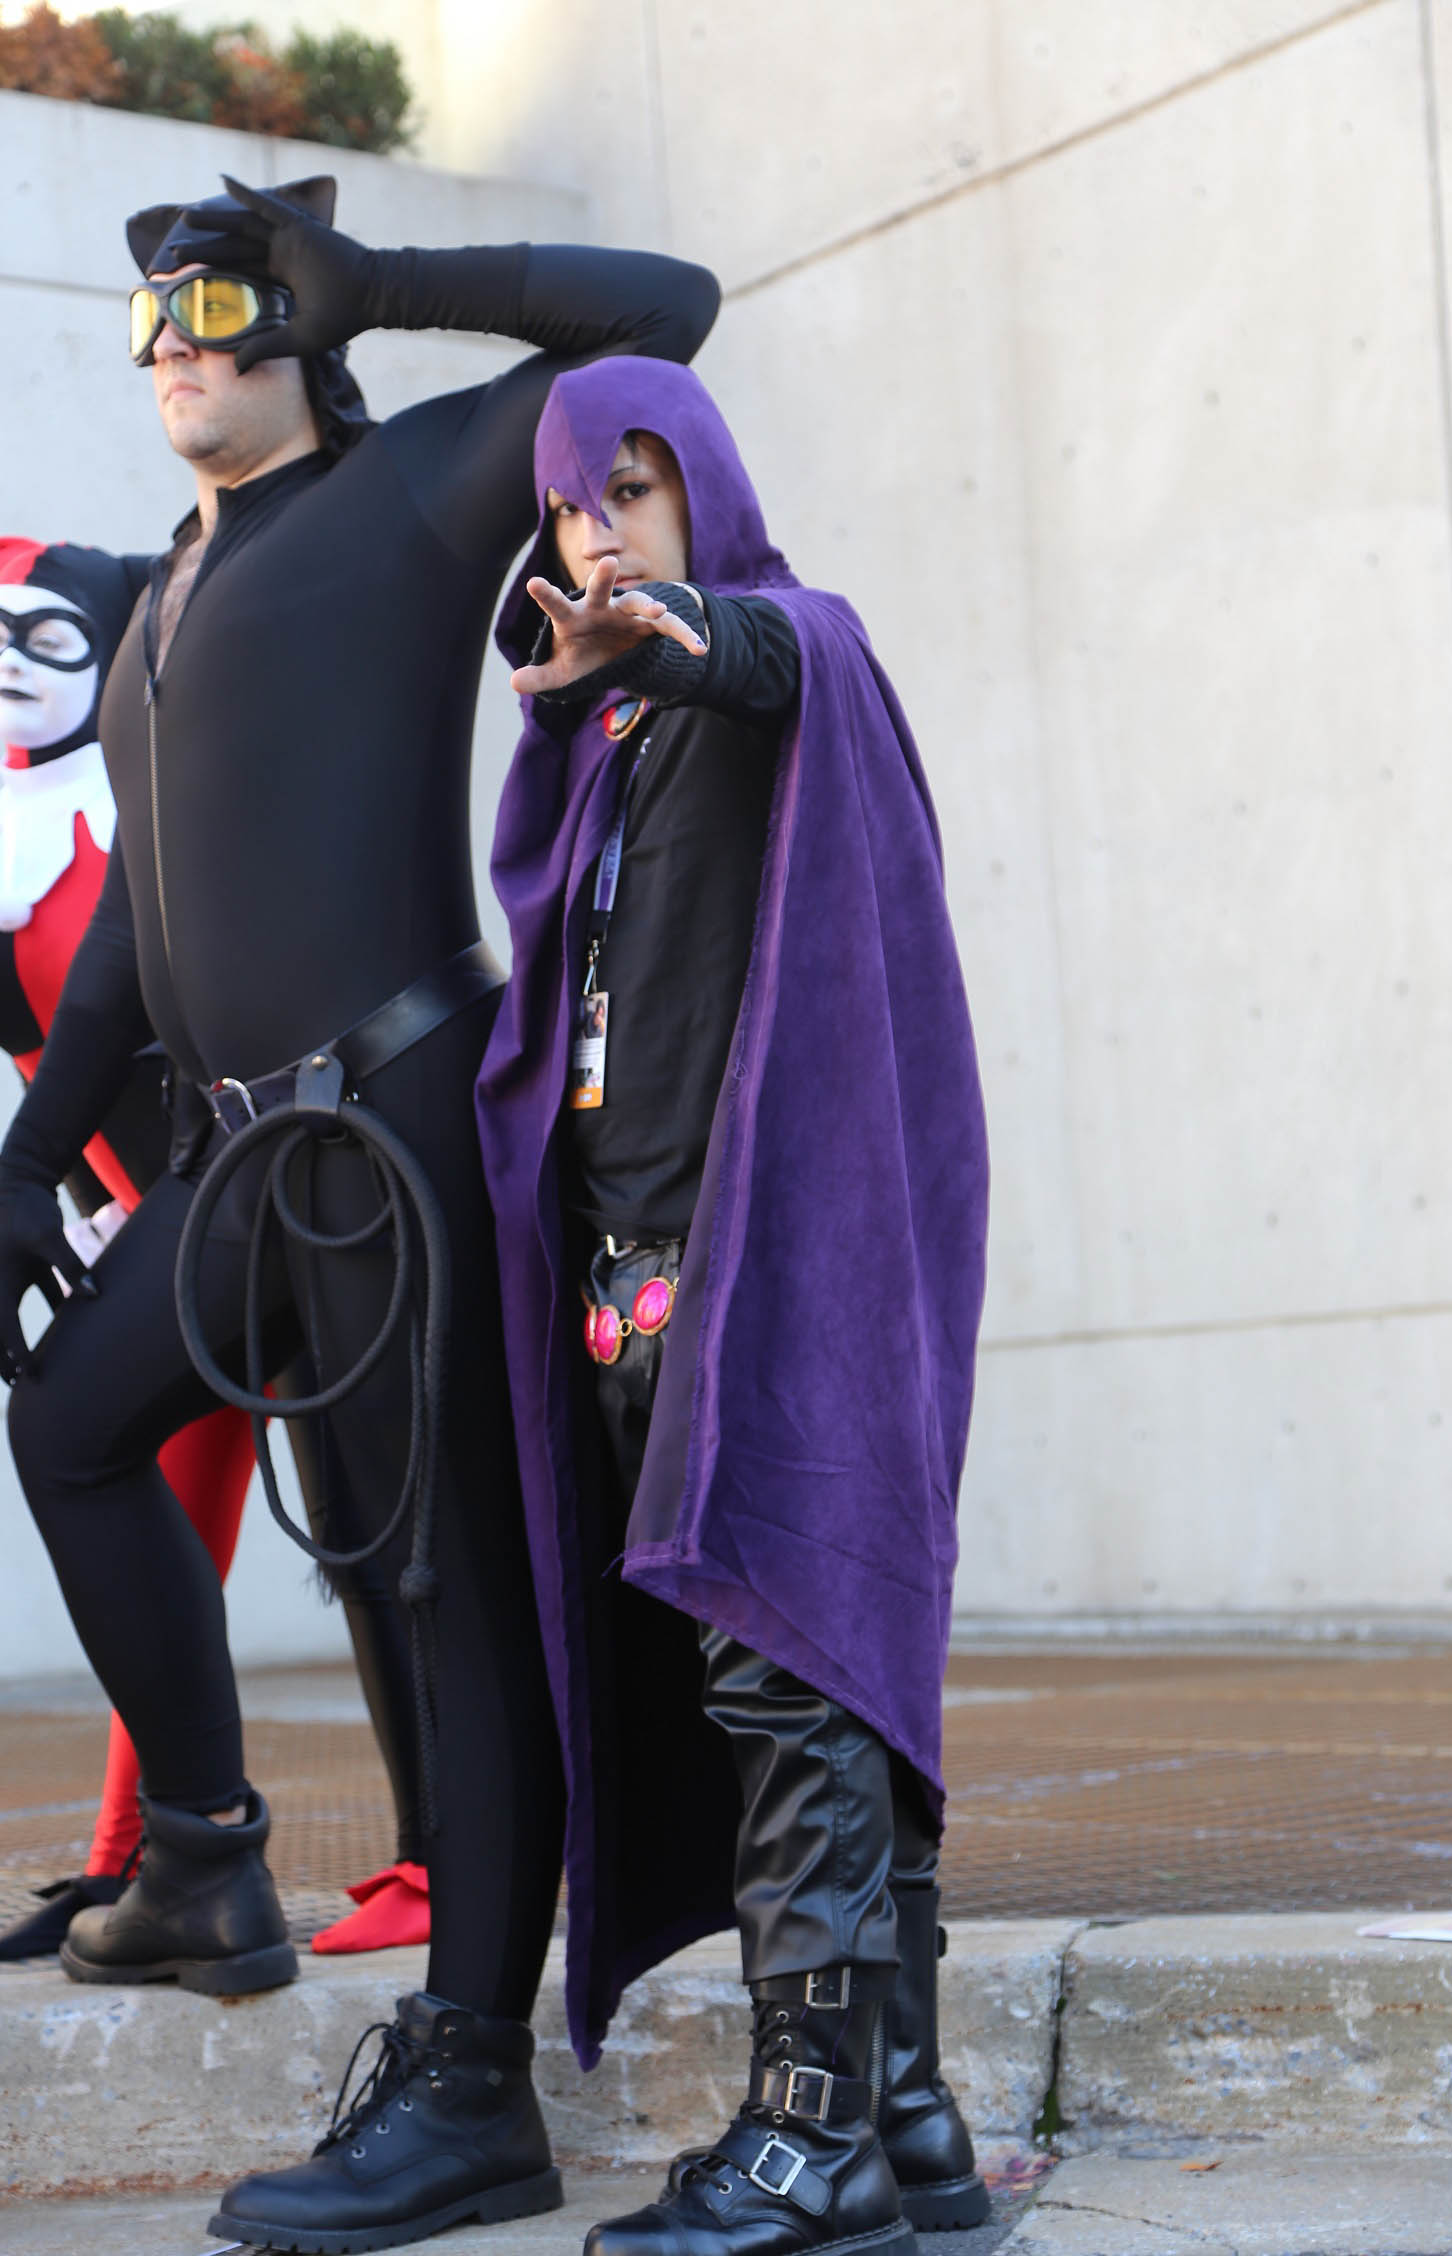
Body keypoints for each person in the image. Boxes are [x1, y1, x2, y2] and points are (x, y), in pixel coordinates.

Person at [0, 174, 717, 2248]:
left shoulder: (408, 494)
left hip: (400, 1111)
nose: (173, 347)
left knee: (443, 1598)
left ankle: (474, 2083)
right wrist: (39, 1150)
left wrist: (391, 285)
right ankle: (205, 1848)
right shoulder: (156, 606)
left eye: (214, 305)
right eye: (146, 322)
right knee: (70, 1432)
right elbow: (138, 923)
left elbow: (661, 301)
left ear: (291, 324)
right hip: (235, 1148)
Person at [478, 359, 988, 2256]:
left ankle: (812, 2138)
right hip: (641, 1265)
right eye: (573, 501)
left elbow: (756, 649)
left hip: (780, 1244)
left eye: (638, 483)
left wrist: (672, 631)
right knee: (786, 1667)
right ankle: (910, 2122)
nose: (602, 527)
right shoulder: (614, 743)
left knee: (792, 1655)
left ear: (703, 486)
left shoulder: (790, 650)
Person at [0, 538, 426, 1964]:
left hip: (279, 1177)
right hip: (168, 1220)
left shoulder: (154, 788)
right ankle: (155, 1861)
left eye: (50, 636)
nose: (9, 660)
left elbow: (144, 1002)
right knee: (120, 1492)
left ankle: (447, 1860)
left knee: (381, 1527)